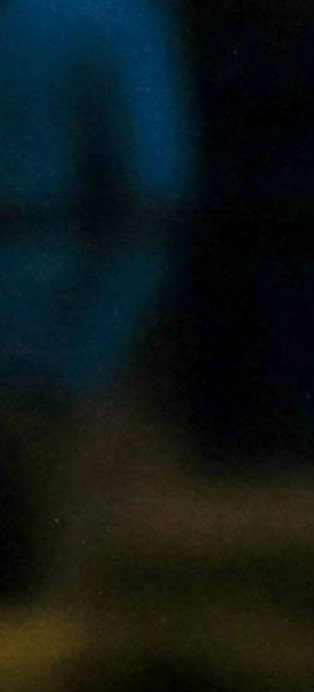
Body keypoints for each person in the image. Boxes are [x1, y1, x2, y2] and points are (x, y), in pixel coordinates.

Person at [0, 0, 193, 601]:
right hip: (54, 355)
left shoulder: (102, 17)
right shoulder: (107, 17)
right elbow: (154, 189)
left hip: (54, 363)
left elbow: (153, 198)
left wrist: (86, 352)